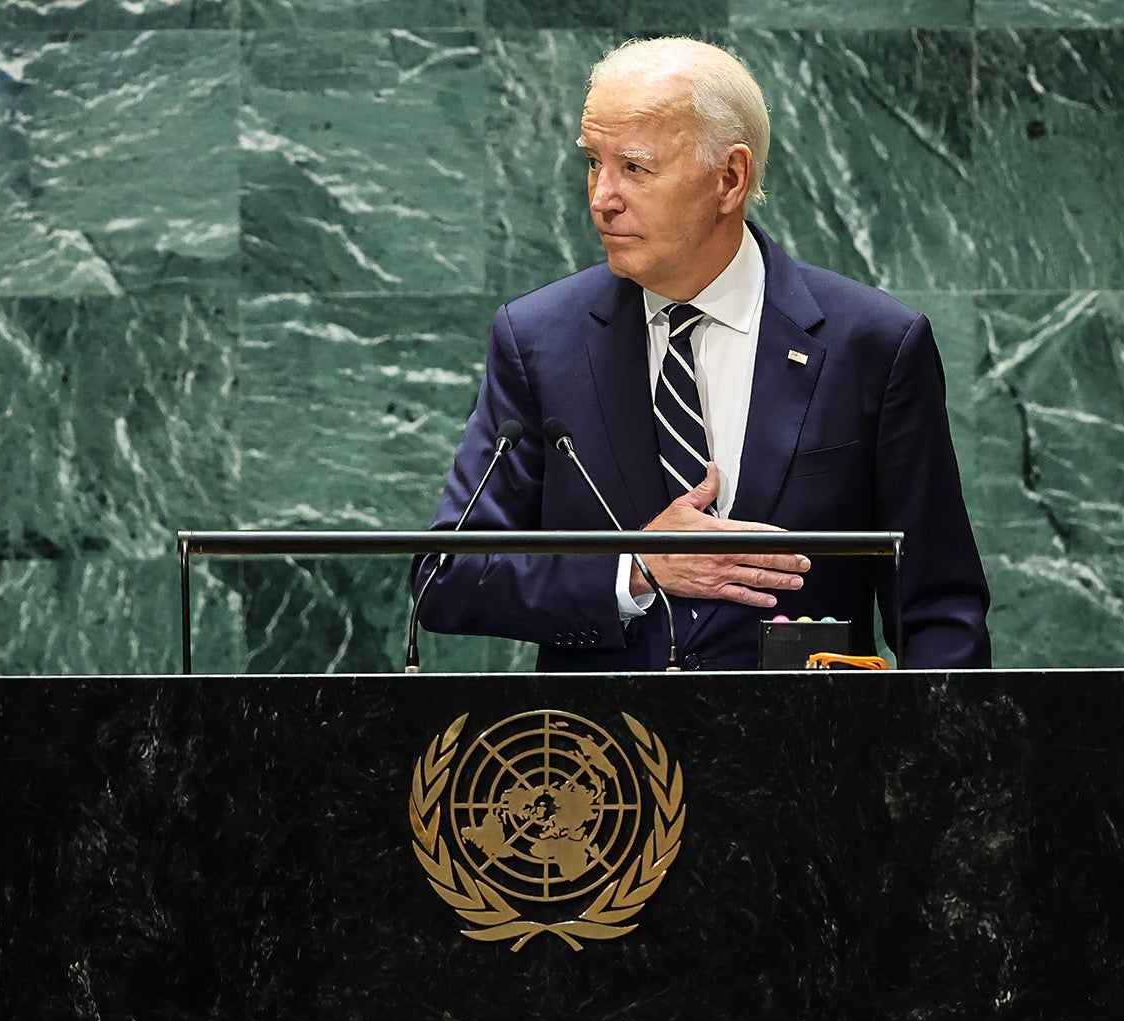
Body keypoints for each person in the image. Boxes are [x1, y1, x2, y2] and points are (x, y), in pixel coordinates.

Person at [414, 37, 989, 671]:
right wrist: (635, 568)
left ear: (729, 178)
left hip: (811, 757)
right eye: (593, 162)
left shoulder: (873, 344)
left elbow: (940, 611)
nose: (601, 197)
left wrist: (932, 764)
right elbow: (447, 575)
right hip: (601, 759)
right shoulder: (537, 340)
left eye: (635, 167)